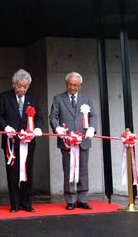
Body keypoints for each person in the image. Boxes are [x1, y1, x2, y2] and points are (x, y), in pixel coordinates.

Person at [0, 69, 44, 213]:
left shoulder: (33, 99)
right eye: (19, 86)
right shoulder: (4, 97)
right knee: (13, 174)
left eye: (25, 86)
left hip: (28, 143)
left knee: (27, 173)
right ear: (13, 84)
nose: (22, 89)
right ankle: (15, 204)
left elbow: (39, 118)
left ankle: (26, 203)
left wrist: (37, 128)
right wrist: (6, 127)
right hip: (11, 143)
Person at [49, 71, 97, 210]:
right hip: (67, 141)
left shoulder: (86, 99)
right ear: (66, 84)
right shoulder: (58, 98)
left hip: (83, 140)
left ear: (80, 85)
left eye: (76, 85)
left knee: (83, 169)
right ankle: (70, 199)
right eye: (70, 84)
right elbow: (53, 116)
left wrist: (91, 129)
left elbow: (93, 116)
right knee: (69, 170)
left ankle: (82, 199)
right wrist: (57, 128)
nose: (73, 87)